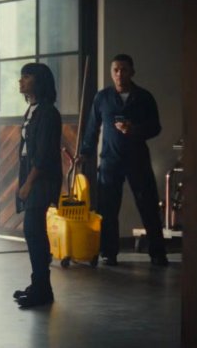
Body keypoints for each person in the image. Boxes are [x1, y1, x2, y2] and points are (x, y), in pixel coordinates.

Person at [78, 54, 169, 267]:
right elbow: (92, 128)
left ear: (132, 72)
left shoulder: (144, 97)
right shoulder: (103, 97)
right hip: (110, 159)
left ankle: (158, 253)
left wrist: (134, 130)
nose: (119, 74)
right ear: (112, 73)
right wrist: (85, 152)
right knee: (107, 209)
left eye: (124, 70)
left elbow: (155, 127)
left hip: (138, 159)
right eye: (115, 70)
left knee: (148, 206)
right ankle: (109, 253)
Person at [11, 63, 63, 308]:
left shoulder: (48, 113)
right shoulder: (32, 110)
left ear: (39, 81)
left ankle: (42, 289)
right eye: (21, 76)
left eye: (27, 76)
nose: (21, 81)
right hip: (31, 177)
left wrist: (28, 184)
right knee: (33, 234)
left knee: (35, 232)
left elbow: (43, 156)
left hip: (41, 180)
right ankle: (40, 285)